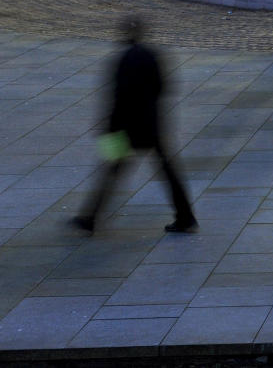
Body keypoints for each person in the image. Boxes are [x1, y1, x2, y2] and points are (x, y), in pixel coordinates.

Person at [72, 17, 197, 235]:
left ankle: (90, 218)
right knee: (167, 171)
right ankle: (185, 216)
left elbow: (119, 97)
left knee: (111, 171)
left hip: (126, 129)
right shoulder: (152, 55)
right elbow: (162, 87)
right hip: (150, 124)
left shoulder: (122, 60)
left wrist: (109, 127)